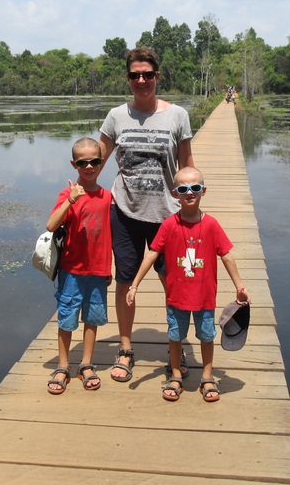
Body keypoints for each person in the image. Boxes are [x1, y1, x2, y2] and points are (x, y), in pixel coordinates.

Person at [99, 46, 195, 382]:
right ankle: (125, 348)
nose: (141, 81)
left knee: (173, 283)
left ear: (157, 76)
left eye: (147, 74)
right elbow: (97, 160)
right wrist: (76, 197)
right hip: (125, 212)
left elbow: (187, 166)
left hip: (167, 215)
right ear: (128, 78)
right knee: (125, 280)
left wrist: (192, 208)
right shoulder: (116, 117)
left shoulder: (177, 116)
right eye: (135, 75)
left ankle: (175, 348)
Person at [126, 167, 251, 402]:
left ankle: (207, 376)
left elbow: (226, 255)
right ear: (175, 194)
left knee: (206, 336)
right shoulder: (169, 225)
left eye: (195, 187)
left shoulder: (212, 225)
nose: (189, 192)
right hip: (177, 297)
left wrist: (239, 286)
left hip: (204, 298)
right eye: (183, 189)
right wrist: (135, 285)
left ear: (203, 191)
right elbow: (152, 253)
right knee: (175, 337)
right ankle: (175, 375)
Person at [45, 137, 112, 394]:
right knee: (67, 317)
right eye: (83, 163)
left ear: (101, 162)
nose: (89, 166)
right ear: (74, 165)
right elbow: (51, 225)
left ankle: (86, 364)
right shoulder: (68, 194)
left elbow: (108, 234)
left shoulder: (107, 196)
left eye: (94, 161)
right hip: (72, 270)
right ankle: (63, 366)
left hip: (98, 270)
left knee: (92, 318)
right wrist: (70, 200)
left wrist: (109, 269)